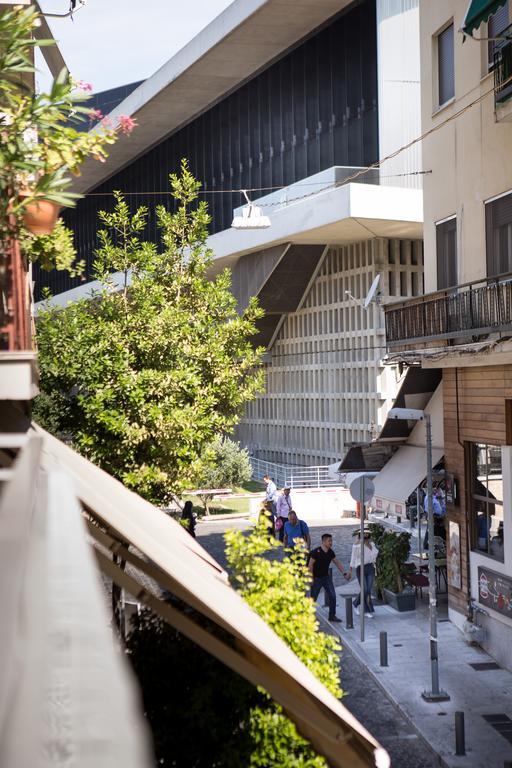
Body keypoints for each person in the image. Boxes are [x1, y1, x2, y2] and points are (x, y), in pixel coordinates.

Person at [309, 533, 345, 623]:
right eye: (329, 541)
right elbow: (310, 565)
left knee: (332, 596)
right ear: (324, 541)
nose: (331, 543)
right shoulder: (315, 552)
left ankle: (332, 616)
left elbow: (337, 562)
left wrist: (344, 573)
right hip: (316, 578)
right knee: (313, 598)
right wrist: (311, 578)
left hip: (326, 577)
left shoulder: (330, 552)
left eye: (331, 541)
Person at [346, 529, 379, 617]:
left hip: (370, 567)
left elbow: (375, 555)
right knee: (364, 589)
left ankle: (356, 604)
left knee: (368, 590)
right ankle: (365, 610)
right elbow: (353, 558)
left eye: (367, 534)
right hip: (360, 568)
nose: (366, 535)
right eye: (364, 534)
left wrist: (369, 544)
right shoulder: (357, 546)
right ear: (360, 535)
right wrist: (350, 570)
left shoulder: (372, 544)